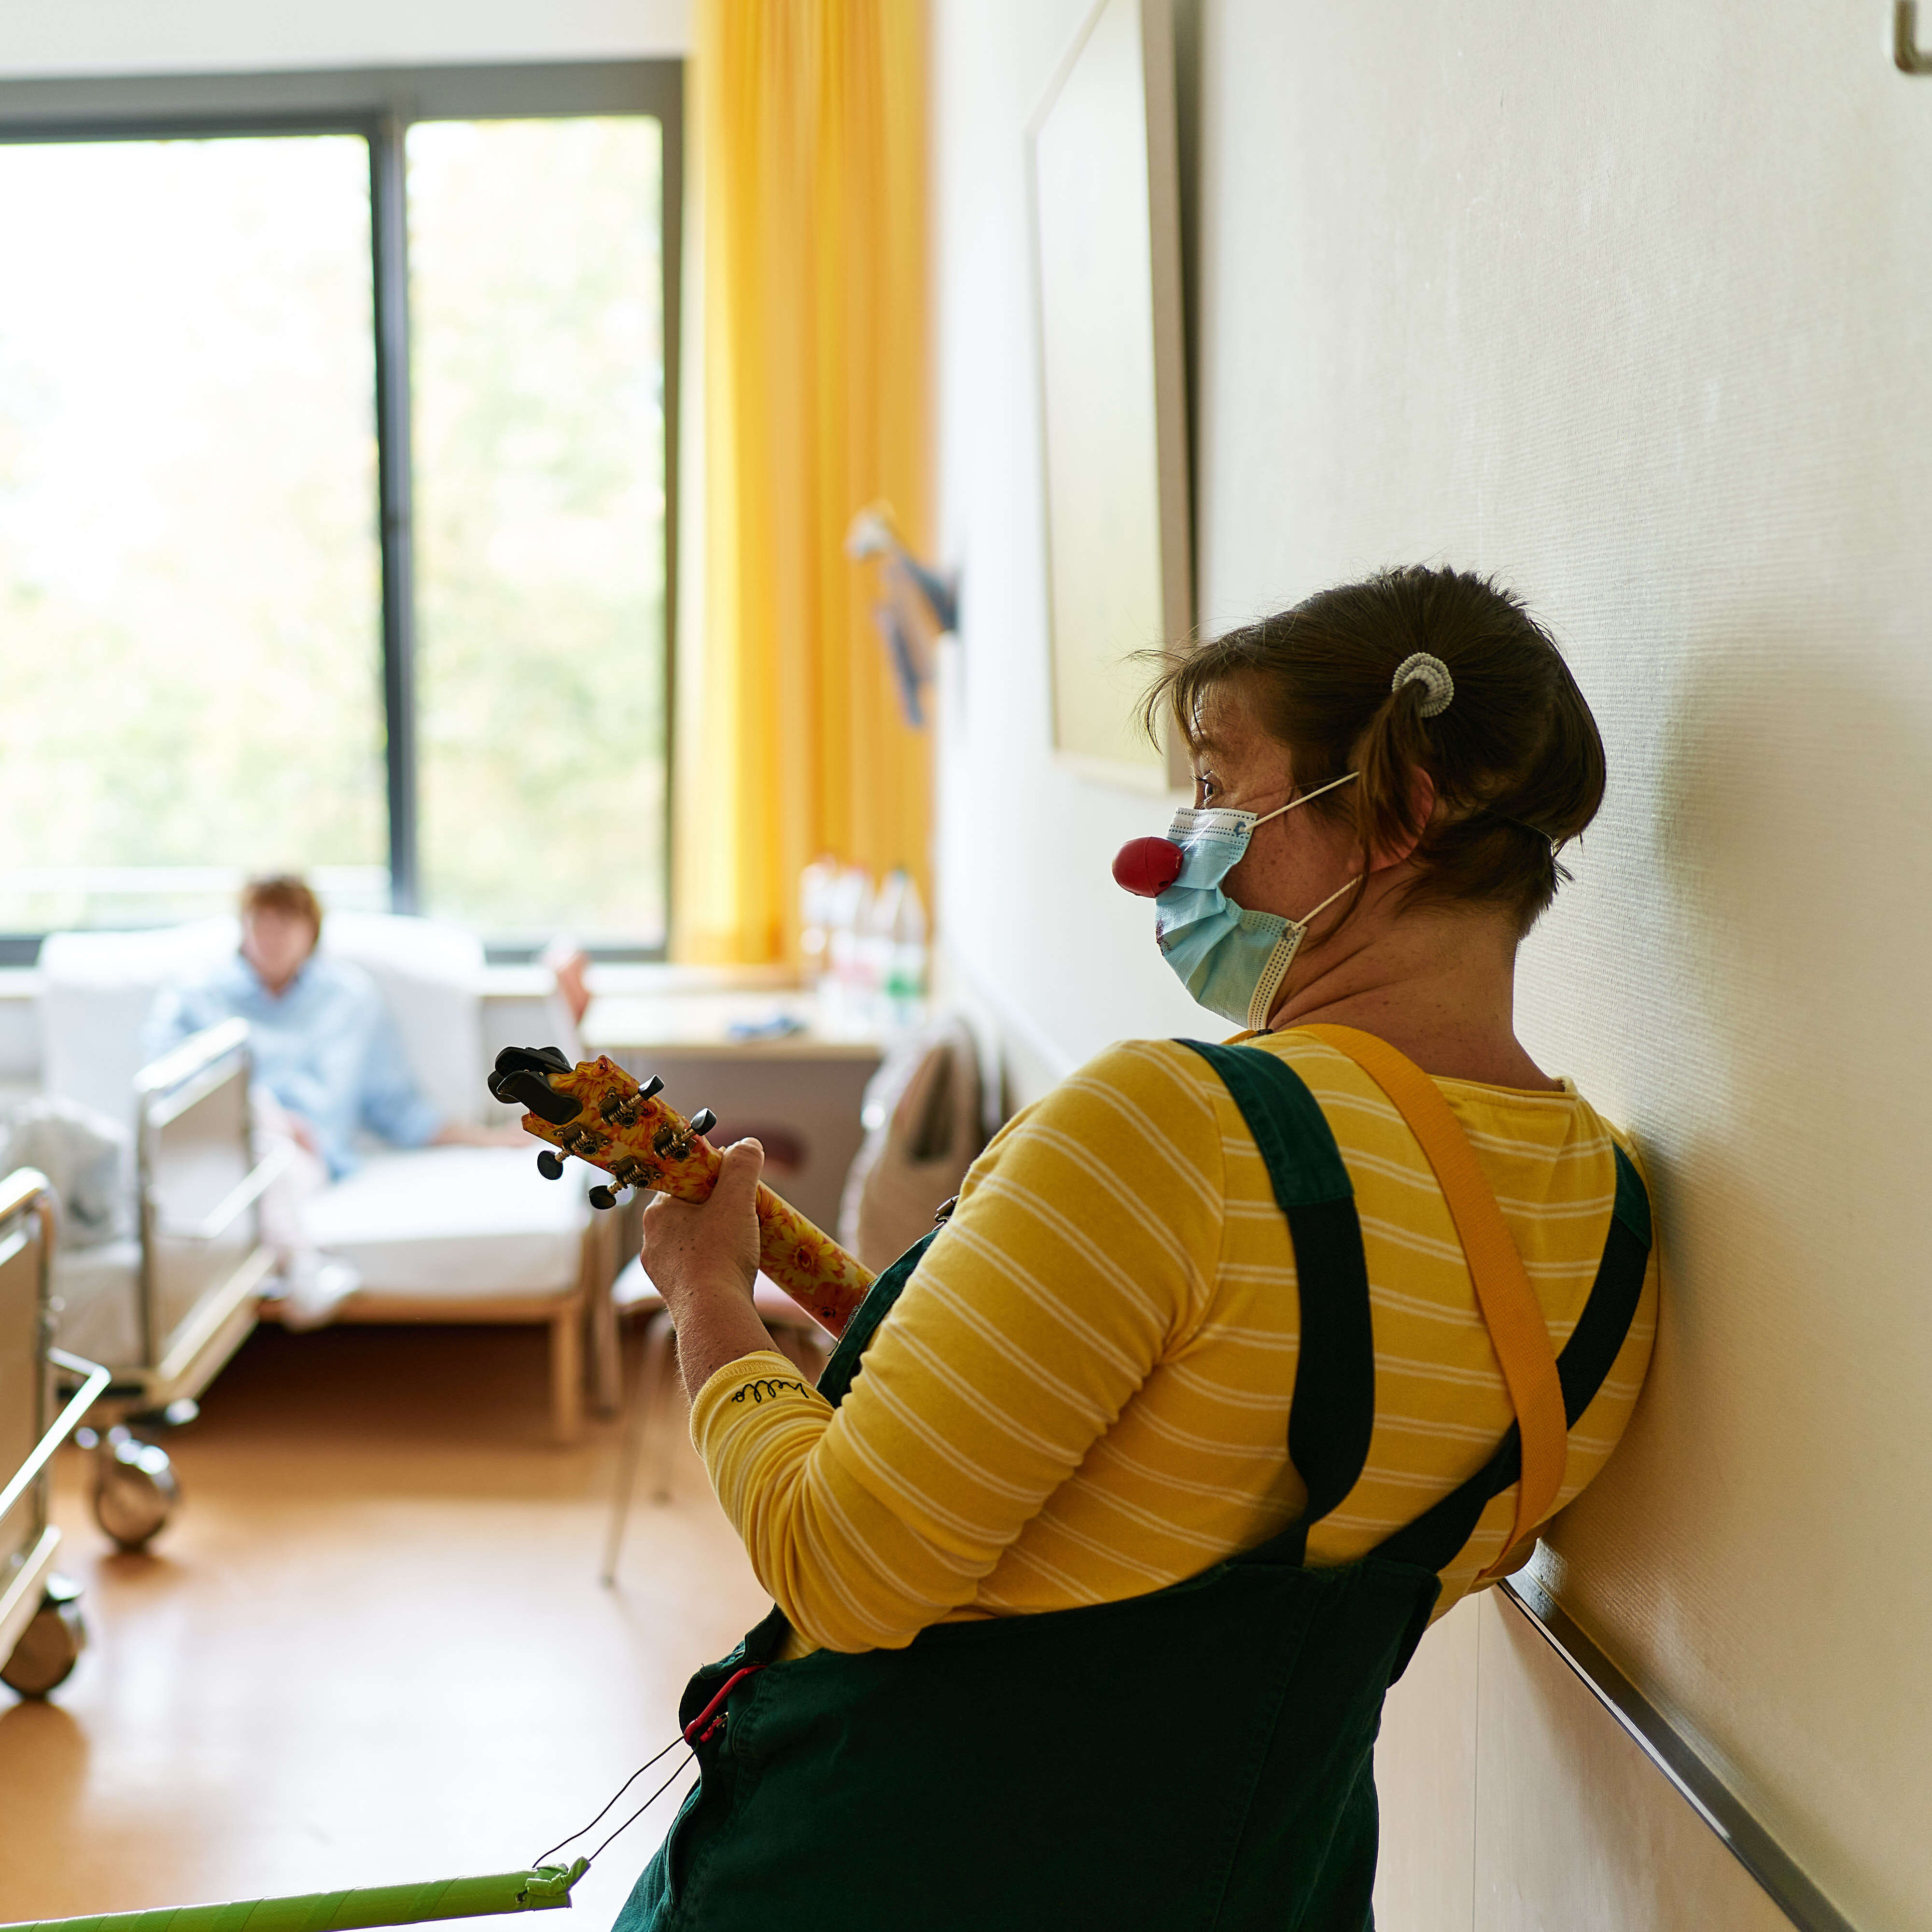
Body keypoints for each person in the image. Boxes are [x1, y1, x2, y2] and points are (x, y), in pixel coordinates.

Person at [621, 566, 1660, 1931]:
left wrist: (708, 1300)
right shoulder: (1608, 1218)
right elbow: (1182, 1502)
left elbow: (841, 1563)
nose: (1170, 850)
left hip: (879, 1875)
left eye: (1222, 788)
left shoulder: (1168, 1130)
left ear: (1399, 813)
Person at [143, 875, 590, 1322]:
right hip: (210, 1151)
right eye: (261, 921)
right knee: (254, 1134)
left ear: (311, 932)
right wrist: (265, 1113)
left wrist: (486, 1140)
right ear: (242, 927)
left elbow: (396, 1106)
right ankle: (304, 1265)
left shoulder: (349, 999)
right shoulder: (196, 996)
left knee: (270, 1158)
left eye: (286, 922)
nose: (272, 936)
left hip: (296, 1158)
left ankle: (301, 1264)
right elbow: (169, 1090)